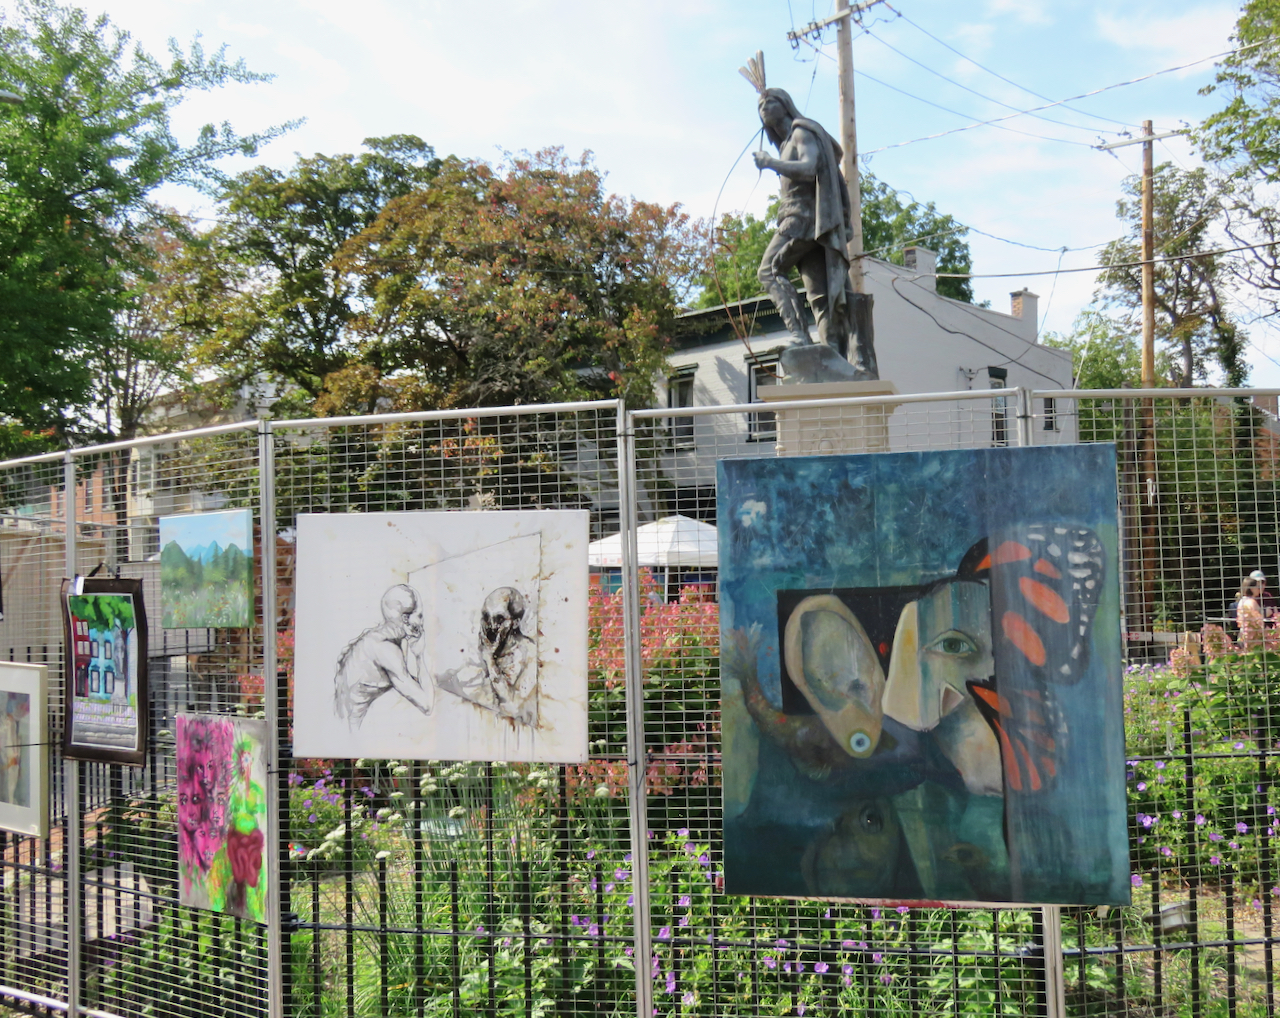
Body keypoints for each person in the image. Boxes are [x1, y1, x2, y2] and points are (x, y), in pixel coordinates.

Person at [751, 87, 877, 382]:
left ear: (785, 104)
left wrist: (770, 163)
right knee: (821, 297)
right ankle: (832, 355)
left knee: (769, 270)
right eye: (760, 104)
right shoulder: (786, 142)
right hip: (803, 221)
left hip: (803, 219)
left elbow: (809, 168)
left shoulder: (801, 132)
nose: (764, 106)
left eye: (770, 101)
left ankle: (799, 335)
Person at [333, 584, 434, 727]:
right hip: (352, 727)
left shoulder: (375, 636)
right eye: (420, 616)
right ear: (406, 619)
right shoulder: (386, 649)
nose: (422, 622)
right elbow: (427, 705)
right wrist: (419, 655)